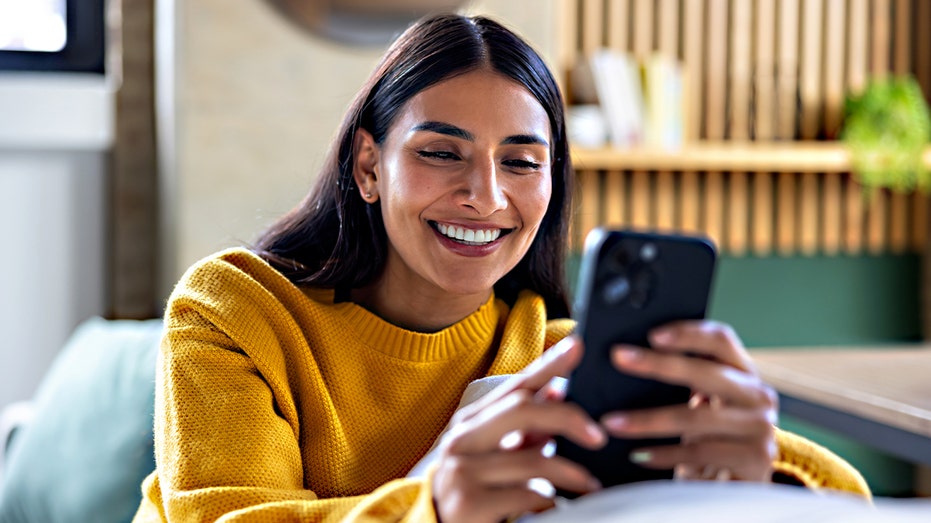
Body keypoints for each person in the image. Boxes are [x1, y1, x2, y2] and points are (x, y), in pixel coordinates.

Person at [133, 13, 869, 523]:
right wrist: (432, 503)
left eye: (520, 161)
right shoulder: (235, 309)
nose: (485, 196)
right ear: (368, 166)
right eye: (440, 152)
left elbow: (852, 496)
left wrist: (760, 468)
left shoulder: (556, 357)